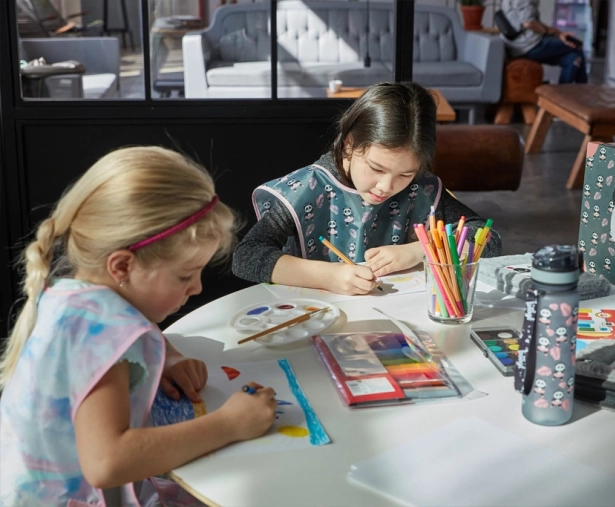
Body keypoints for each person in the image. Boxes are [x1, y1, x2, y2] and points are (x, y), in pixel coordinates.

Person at [0, 147, 278, 506]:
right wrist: (229, 424)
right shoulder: (107, 329)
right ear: (122, 267)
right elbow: (107, 462)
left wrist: (169, 357)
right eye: (185, 276)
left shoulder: (74, 295)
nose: (196, 288)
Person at [232, 81, 502, 295]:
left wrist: (419, 250)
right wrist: (328, 276)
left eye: (405, 174)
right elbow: (246, 256)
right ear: (349, 145)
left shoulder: (420, 188)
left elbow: (488, 239)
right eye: (376, 168)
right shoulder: (308, 189)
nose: (386, 187)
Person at [499, 0, 588, 84]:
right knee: (577, 46)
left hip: (519, 45)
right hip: (528, 46)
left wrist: (558, 33)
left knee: (572, 58)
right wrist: (549, 31)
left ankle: (563, 94)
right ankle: (584, 91)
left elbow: (529, 22)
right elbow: (529, 23)